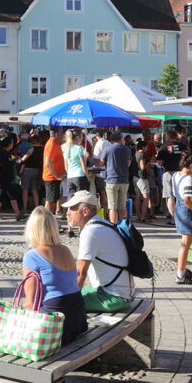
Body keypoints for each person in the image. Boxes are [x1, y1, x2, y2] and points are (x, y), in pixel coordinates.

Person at [21, 206, 88, 344]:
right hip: (77, 318)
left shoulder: (32, 257)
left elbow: (30, 303)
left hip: (56, 322)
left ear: (32, 229)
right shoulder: (66, 250)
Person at [67, 190, 133, 311]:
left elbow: (80, 274)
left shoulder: (90, 232)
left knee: (57, 302)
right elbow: (88, 276)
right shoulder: (101, 223)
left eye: (72, 209)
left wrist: (69, 303)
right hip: (119, 293)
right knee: (60, 292)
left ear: (85, 211)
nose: (67, 213)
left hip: (113, 297)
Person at [173, 154, 192, 285]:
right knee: (185, 245)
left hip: (178, 208)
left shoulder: (175, 175)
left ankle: (182, 268)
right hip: (186, 210)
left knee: (184, 243)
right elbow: (187, 199)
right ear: (191, 166)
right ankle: (180, 274)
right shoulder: (188, 179)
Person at [94, 129, 134, 223]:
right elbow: (128, 164)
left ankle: (114, 227)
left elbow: (100, 164)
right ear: (121, 138)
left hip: (111, 180)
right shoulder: (127, 149)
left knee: (112, 207)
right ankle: (123, 227)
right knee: (122, 206)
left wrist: (94, 159)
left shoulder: (108, 149)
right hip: (124, 180)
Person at [0, 135, 24, 221]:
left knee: (1, 195)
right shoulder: (2, 153)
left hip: (6, 178)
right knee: (12, 195)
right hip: (4, 178)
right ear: (9, 144)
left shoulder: (7, 153)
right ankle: (18, 214)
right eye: (11, 142)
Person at [62, 130, 89, 228]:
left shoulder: (65, 148)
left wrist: (69, 173)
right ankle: (81, 226)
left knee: (71, 202)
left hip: (70, 176)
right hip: (79, 176)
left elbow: (66, 165)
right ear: (77, 137)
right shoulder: (79, 148)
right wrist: (87, 176)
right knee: (81, 202)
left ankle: (69, 227)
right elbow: (83, 165)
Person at [42, 128, 66, 220]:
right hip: (51, 178)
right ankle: (45, 223)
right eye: (61, 133)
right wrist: (57, 175)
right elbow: (48, 163)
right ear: (56, 135)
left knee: (52, 201)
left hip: (54, 178)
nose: (63, 135)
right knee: (50, 202)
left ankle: (49, 222)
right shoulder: (51, 144)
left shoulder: (55, 143)